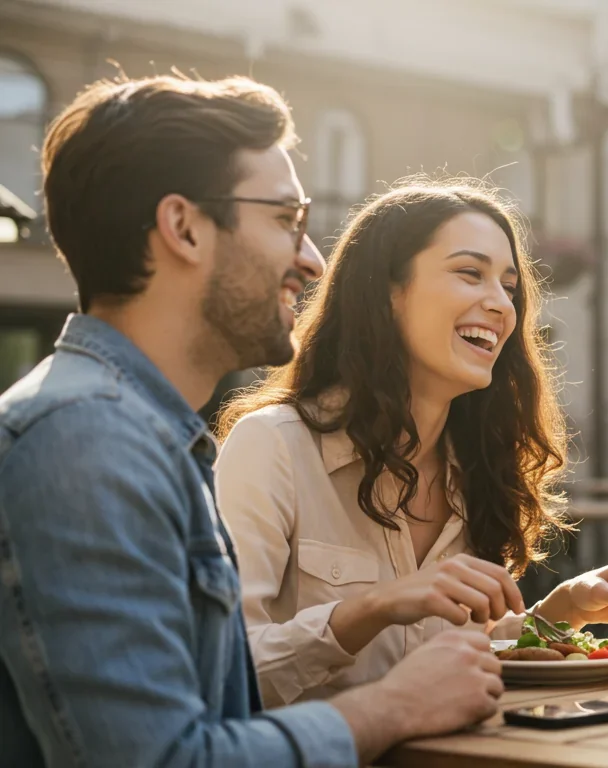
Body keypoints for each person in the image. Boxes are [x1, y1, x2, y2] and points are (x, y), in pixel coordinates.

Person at [0, 75, 502, 767]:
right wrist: (392, 706)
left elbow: (218, 710)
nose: (312, 259)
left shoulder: (146, 441)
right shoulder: (83, 442)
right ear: (183, 227)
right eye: (283, 220)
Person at [212, 178, 608, 706]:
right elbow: (222, 674)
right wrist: (373, 608)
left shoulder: (476, 466)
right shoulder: (273, 447)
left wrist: (562, 612)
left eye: (509, 286)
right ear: (387, 294)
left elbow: (445, 651)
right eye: (470, 273)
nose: (501, 306)